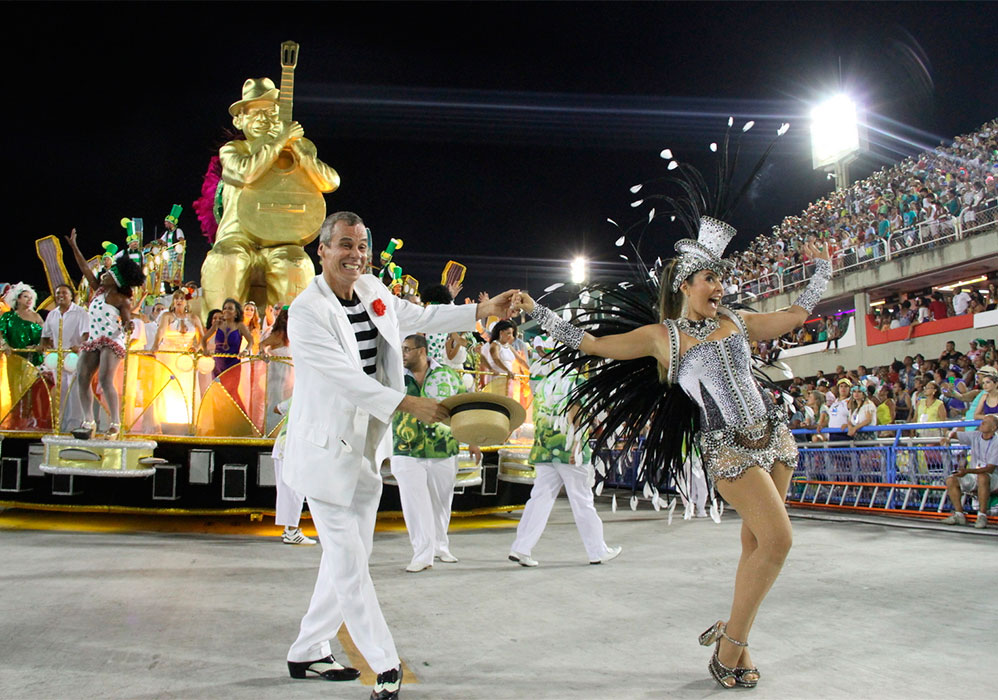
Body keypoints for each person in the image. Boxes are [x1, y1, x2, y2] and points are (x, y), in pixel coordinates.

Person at [513, 217, 833, 689]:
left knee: (756, 544)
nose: (720, 287)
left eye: (721, 278)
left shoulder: (736, 321)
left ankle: (736, 639)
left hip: (776, 440)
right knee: (779, 540)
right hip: (727, 448)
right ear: (686, 285)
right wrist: (539, 312)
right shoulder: (664, 337)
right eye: (710, 279)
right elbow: (594, 344)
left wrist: (822, 271)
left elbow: (793, 317)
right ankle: (729, 647)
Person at [281, 211, 517, 699]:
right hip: (325, 455)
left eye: (362, 246)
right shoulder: (306, 312)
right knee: (349, 562)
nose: (355, 254)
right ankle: (385, 666)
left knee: (348, 558)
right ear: (321, 251)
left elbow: (422, 317)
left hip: (367, 451)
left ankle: (307, 649)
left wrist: (484, 309)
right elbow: (343, 380)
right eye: (345, 245)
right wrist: (410, 402)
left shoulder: (371, 291)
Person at [509, 364, 623, 566]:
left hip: (544, 448)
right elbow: (576, 411)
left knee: (539, 500)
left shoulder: (544, 381)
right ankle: (597, 551)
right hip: (568, 447)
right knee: (582, 501)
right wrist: (577, 444)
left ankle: (521, 548)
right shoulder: (575, 379)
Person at [391, 334, 481, 572]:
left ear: (422, 351)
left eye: (407, 349)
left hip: (444, 447)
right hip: (405, 448)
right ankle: (422, 553)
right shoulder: (394, 378)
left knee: (441, 502)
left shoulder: (448, 375)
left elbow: (463, 408)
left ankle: (441, 546)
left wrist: (472, 440)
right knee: (414, 503)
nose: (403, 354)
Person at [64, 229, 145, 438]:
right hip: (94, 340)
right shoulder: (98, 288)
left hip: (112, 339)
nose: (104, 274)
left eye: (108, 274)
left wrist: (128, 326)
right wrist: (74, 247)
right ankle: (88, 420)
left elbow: (128, 321)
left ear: (116, 280)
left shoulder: (122, 299)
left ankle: (115, 423)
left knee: (105, 380)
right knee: (82, 377)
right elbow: (84, 267)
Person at [40, 283, 89, 431]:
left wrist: (79, 346)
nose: (61, 296)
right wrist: (44, 346)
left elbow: (86, 335)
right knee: (60, 391)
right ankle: (60, 425)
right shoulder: (52, 314)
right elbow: (45, 336)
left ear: (71, 296)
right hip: (57, 357)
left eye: (64, 293)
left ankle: (74, 426)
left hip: (74, 357)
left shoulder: (80, 312)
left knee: (74, 391)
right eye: (58, 293)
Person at [940, 414, 998, 529]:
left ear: (993, 428)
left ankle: (982, 516)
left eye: (985, 422)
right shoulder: (975, 435)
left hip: (994, 477)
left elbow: (990, 469)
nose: (981, 423)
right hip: (973, 474)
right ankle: (959, 514)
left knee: (983, 477)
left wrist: (967, 471)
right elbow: (954, 434)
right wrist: (948, 437)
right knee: (951, 480)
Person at [270, 397, 314, 545]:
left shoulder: (298, 396)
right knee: (294, 491)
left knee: (289, 491)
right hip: (293, 448)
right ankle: (291, 531)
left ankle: (289, 530)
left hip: (284, 445)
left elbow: (276, 408)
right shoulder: (312, 399)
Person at [0, 283, 44, 367]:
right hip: (12, 358)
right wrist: (5, 345)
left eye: (31, 298)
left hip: (33, 359)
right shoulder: (8, 316)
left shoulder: (37, 316)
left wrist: (38, 346)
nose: (29, 299)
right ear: (18, 299)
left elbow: (46, 334)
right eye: (26, 297)